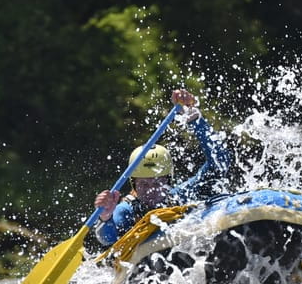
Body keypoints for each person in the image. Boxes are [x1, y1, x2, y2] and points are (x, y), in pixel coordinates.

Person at [92, 89, 233, 246]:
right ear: (134, 185)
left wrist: (194, 117)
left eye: (158, 183)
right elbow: (107, 240)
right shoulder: (126, 210)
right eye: (144, 184)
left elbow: (220, 163)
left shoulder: (181, 196)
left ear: (169, 180)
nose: (152, 190)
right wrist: (105, 216)